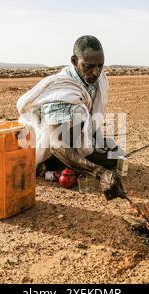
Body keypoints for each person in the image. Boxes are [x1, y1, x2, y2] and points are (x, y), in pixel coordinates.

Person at [17, 35, 126, 200]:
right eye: (89, 66)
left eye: (100, 66)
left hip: (73, 135)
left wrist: (100, 143)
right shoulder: (62, 91)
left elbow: (90, 119)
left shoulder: (96, 79)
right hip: (46, 145)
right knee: (104, 162)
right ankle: (49, 166)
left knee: (115, 155)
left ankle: (73, 162)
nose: (96, 72)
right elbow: (56, 145)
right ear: (75, 61)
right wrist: (100, 173)